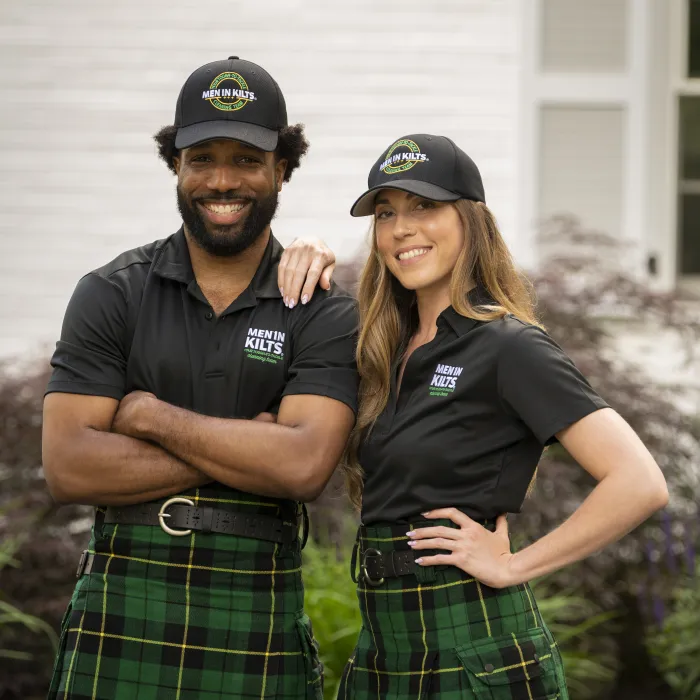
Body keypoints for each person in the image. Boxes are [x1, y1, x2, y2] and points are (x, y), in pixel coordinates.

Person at [282, 133, 669, 699]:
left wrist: (516, 565)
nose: (401, 228)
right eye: (386, 213)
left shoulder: (509, 346)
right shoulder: (380, 347)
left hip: (476, 647)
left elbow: (639, 482)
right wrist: (304, 250)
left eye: (424, 206)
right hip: (384, 648)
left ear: (470, 221)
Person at [42, 56, 358, 700]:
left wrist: (151, 417)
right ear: (175, 167)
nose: (222, 180)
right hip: (123, 603)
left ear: (282, 170)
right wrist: (251, 443)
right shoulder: (110, 292)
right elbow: (70, 467)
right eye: (202, 158)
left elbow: (301, 468)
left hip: (256, 612)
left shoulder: (324, 309)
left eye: (246, 159)